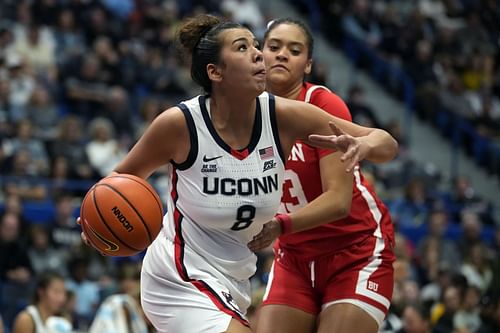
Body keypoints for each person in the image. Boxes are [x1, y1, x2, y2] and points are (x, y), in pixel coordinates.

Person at [79, 14, 398, 333]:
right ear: (215, 72)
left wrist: (365, 146)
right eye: (244, 48)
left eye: (257, 46)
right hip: (180, 273)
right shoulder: (180, 125)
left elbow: (385, 142)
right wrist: (96, 221)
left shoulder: (286, 116)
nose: (260, 54)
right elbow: (118, 182)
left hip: (236, 277)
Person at [251, 18, 395, 333]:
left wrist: (365, 143)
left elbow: (340, 200)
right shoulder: (242, 113)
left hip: (354, 250)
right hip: (294, 256)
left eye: (294, 50)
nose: (282, 55)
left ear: (308, 65)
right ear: (259, 55)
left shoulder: (320, 104)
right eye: (274, 47)